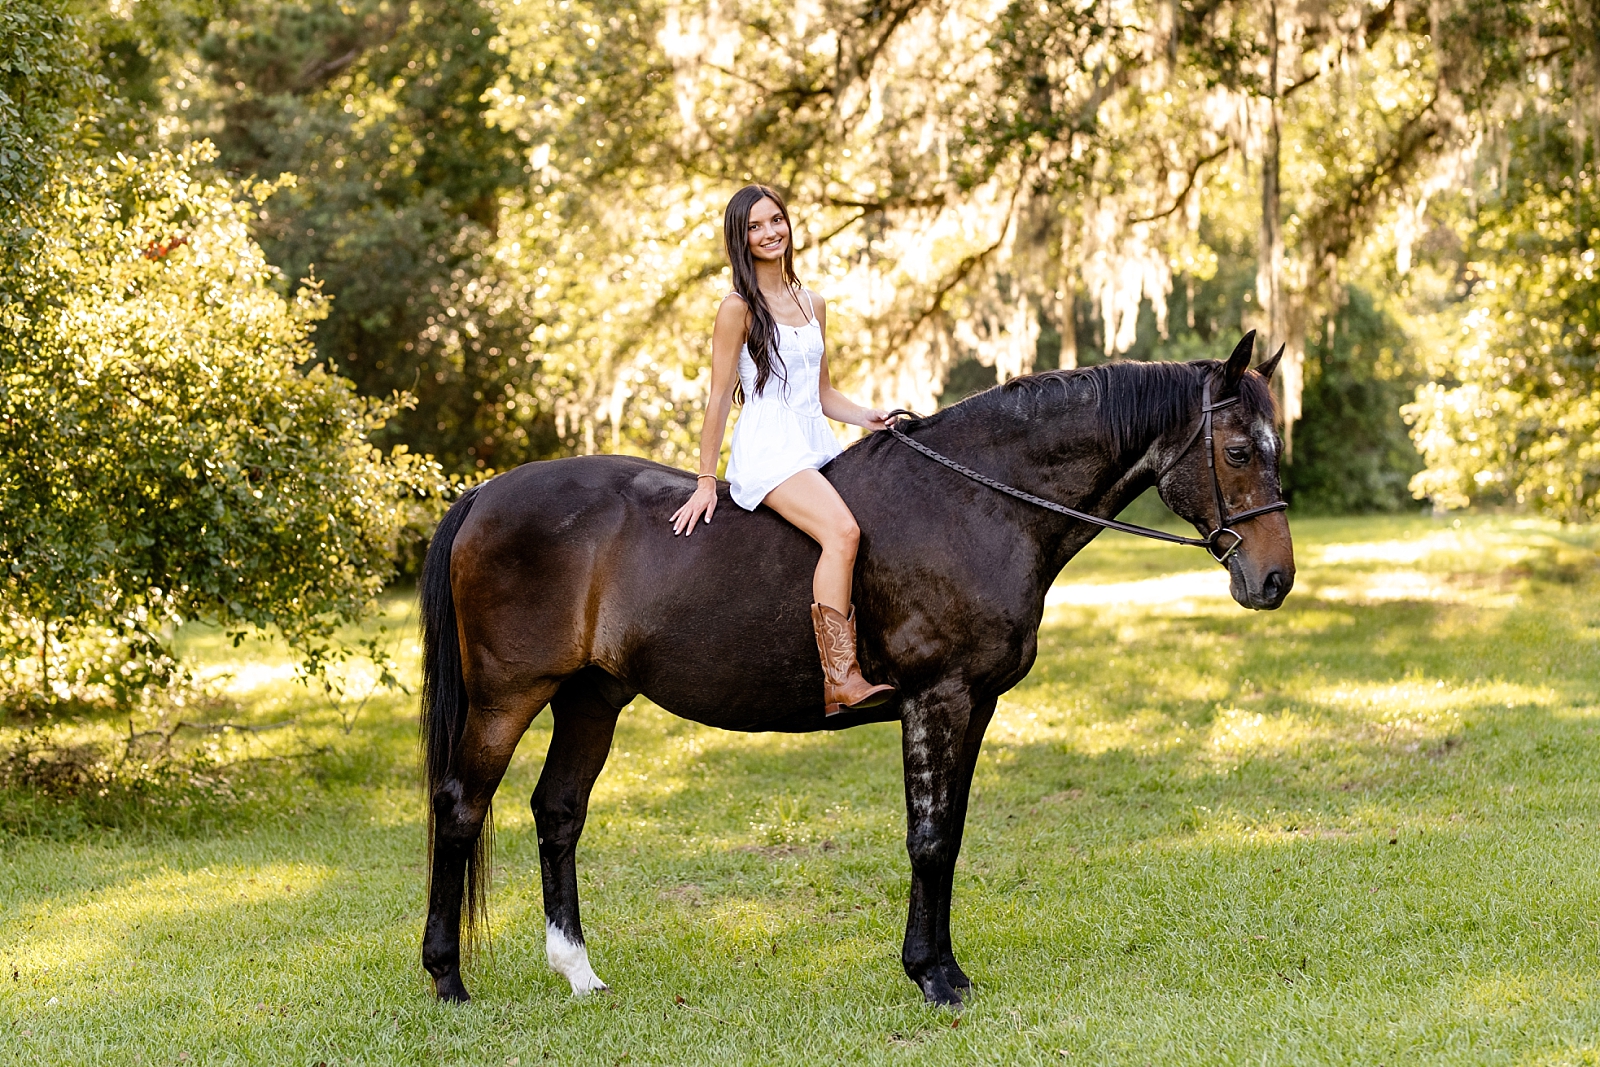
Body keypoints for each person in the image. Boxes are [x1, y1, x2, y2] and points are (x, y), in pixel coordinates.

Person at [670, 184, 896, 716]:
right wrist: (706, 479)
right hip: (770, 449)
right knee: (843, 533)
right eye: (755, 226)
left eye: (776, 221)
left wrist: (867, 416)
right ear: (740, 239)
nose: (770, 232)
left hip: (815, 442)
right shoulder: (737, 308)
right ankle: (840, 678)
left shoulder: (811, 301)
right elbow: (720, 396)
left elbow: (821, 393)